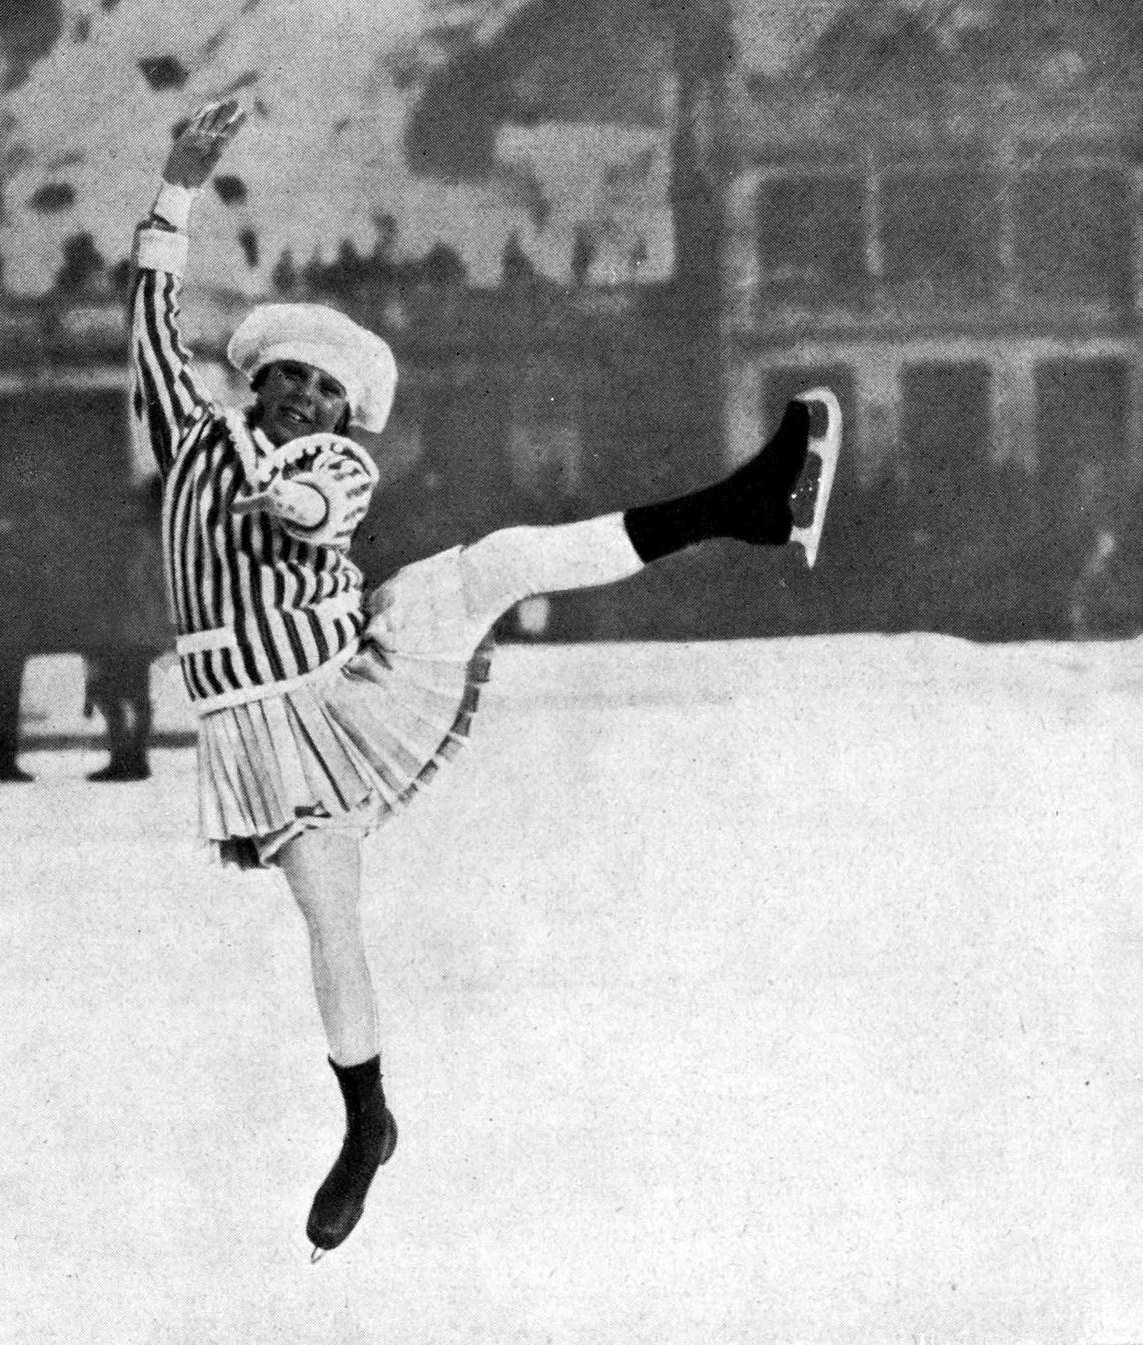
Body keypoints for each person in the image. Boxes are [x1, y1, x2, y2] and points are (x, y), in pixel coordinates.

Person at [130, 101, 842, 1261]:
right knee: (329, 923)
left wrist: (291, 499)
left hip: (348, 670)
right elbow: (149, 321)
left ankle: (748, 507)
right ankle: (366, 1122)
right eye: (291, 382)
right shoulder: (195, 436)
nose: (307, 403)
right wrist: (176, 185)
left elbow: (326, 508)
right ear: (253, 379)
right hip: (253, 727)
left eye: (327, 396)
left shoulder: (325, 463)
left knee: (501, 559)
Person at [83, 477, 172, 782]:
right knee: (130, 694)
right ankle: (132, 757)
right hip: (138, 631)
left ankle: (127, 758)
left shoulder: (135, 540)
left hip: (126, 631)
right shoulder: (154, 536)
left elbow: (133, 586)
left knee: (117, 693)